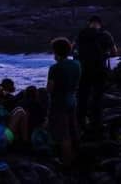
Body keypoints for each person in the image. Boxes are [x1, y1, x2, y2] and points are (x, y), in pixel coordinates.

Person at [75, 16, 117, 130]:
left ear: (89, 23)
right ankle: (96, 122)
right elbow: (114, 52)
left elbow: (74, 50)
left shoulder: (82, 34)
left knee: (82, 96)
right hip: (99, 70)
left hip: (83, 70)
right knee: (97, 97)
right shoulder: (105, 34)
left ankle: (80, 122)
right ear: (100, 23)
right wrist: (105, 54)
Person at [47, 38, 81, 166]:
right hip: (72, 99)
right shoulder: (77, 64)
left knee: (63, 134)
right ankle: (77, 156)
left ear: (56, 52)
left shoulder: (55, 68)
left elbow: (50, 88)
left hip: (59, 103)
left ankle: (67, 163)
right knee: (73, 130)